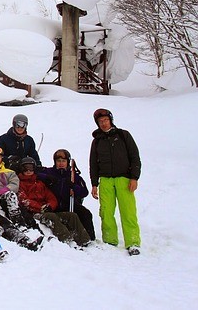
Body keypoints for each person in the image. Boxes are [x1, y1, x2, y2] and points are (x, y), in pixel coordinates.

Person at [90, 108, 142, 256]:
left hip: (123, 179)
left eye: (105, 120)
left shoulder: (123, 135)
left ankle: (132, 242)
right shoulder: (97, 141)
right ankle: (110, 240)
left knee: (128, 211)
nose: (103, 123)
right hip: (105, 180)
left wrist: (134, 177)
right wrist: (94, 184)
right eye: (100, 122)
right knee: (106, 212)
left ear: (110, 120)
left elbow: (135, 157)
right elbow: (93, 163)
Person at [17, 157, 91, 248]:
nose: (28, 171)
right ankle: (67, 239)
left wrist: (50, 206)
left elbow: (51, 197)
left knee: (71, 216)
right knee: (51, 217)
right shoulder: (20, 183)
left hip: (47, 210)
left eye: (31, 168)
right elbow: (24, 200)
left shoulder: (40, 183)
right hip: (34, 213)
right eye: (25, 168)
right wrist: (41, 208)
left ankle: (84, 240)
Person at [38, 149, 96, 241]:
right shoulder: (49, 172)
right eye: (58, 161)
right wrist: (48, 178)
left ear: (67, 162)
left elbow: (84, 192)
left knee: (85, 214)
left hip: (69, 203)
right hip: (54, 204)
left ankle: (90, 239)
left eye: (63, 161)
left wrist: (73, 186)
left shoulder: (74, 175)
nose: (61, 163)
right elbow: (36, 174)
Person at [0, 146, 35, 230]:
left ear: (2, 158)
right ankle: (18, 223)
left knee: (25, 213)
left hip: (11, 197)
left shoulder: (9, 172)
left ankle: (37, 231)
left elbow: (15, 185)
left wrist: (4, 190)